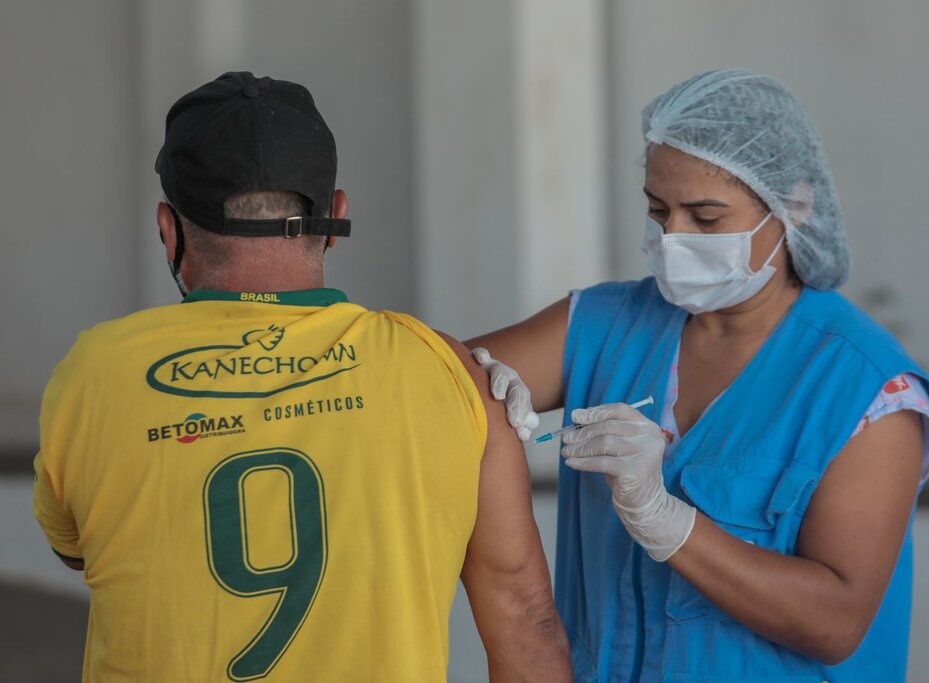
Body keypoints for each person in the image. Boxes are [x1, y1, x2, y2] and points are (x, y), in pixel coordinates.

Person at [33, 71, 571, 682]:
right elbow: (527, 623)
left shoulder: (93, 374)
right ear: (336, 213)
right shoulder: (446, 371)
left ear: (168, 226)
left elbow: (75, 550)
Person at [468, 68, 929, 682]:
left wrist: (665, 520)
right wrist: (467, 390)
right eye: (658, 210)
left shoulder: (865, 389)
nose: (673, 237)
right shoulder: (604, 324)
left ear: (794, 206)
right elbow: (421, 388)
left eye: (707, 217)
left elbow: (837, 623)